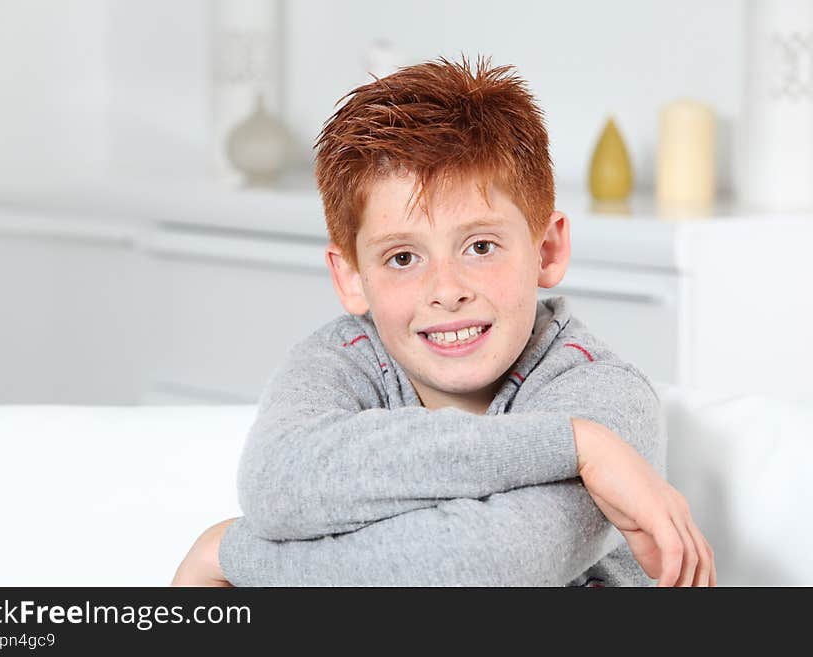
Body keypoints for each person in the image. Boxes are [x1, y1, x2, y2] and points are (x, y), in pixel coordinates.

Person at [172, 55, 715, 587]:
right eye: (403, 258)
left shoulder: (602, 396)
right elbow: (274, 483)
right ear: (352, 277)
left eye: (480, 246)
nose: (447, 291)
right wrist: (570, 446)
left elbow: (478, 566)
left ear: (546, 250)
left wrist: (226, 553)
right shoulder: (341, 360)